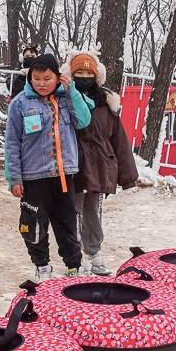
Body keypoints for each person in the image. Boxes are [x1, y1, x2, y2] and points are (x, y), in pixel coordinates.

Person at [5, 53, 92, 281]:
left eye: (47, 78)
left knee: (67, 225)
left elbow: (83, 121)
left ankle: (74, 266)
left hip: (64, 176)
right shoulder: (20, 103)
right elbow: (12, 142)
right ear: (30, 78)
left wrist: (71, 91)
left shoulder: (67, 99)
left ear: (57, 77)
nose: (42, 84)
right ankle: (42, 266)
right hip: (33, 178)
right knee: (33, 225)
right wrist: (14, 178)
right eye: (37, 78)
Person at [62, 50, 138, 275]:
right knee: (72, 212)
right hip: (74, 163)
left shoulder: (107, 102)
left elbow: (119, 139)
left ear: (97, 75)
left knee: (93, 212)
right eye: (79, 72)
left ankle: (94, 252)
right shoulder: (65, 97)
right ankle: (75, 257)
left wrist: (128, 175)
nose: (84, 76)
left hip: (99, 165)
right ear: (71, 75)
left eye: (88, 72)